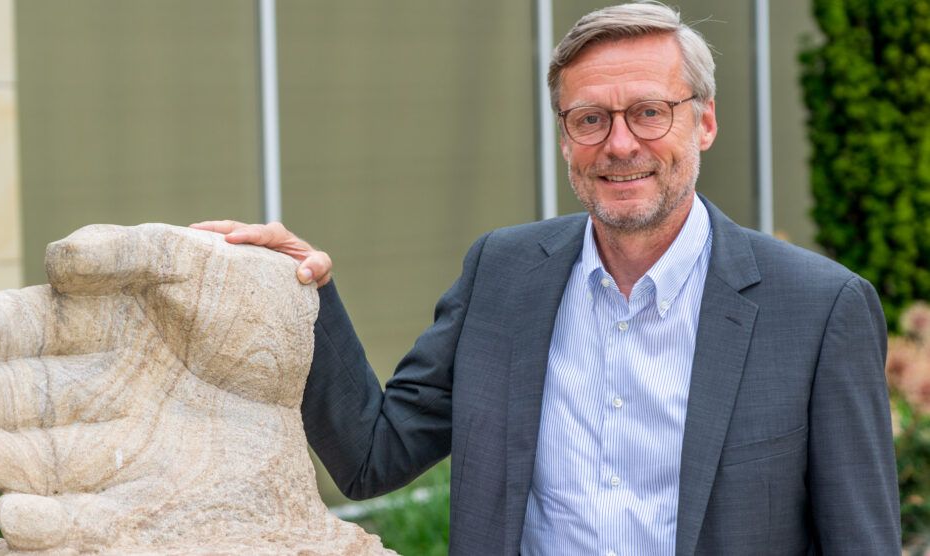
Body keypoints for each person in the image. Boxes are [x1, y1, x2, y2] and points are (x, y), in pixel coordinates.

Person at [193, 2, 900, 554]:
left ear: (704, 122)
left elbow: (860, 541)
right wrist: (302, 293)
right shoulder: (501, 275)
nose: (619, 144)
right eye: (590, 118)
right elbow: (376, 456)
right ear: (565, 137)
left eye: (649, 112)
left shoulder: (818, 308)